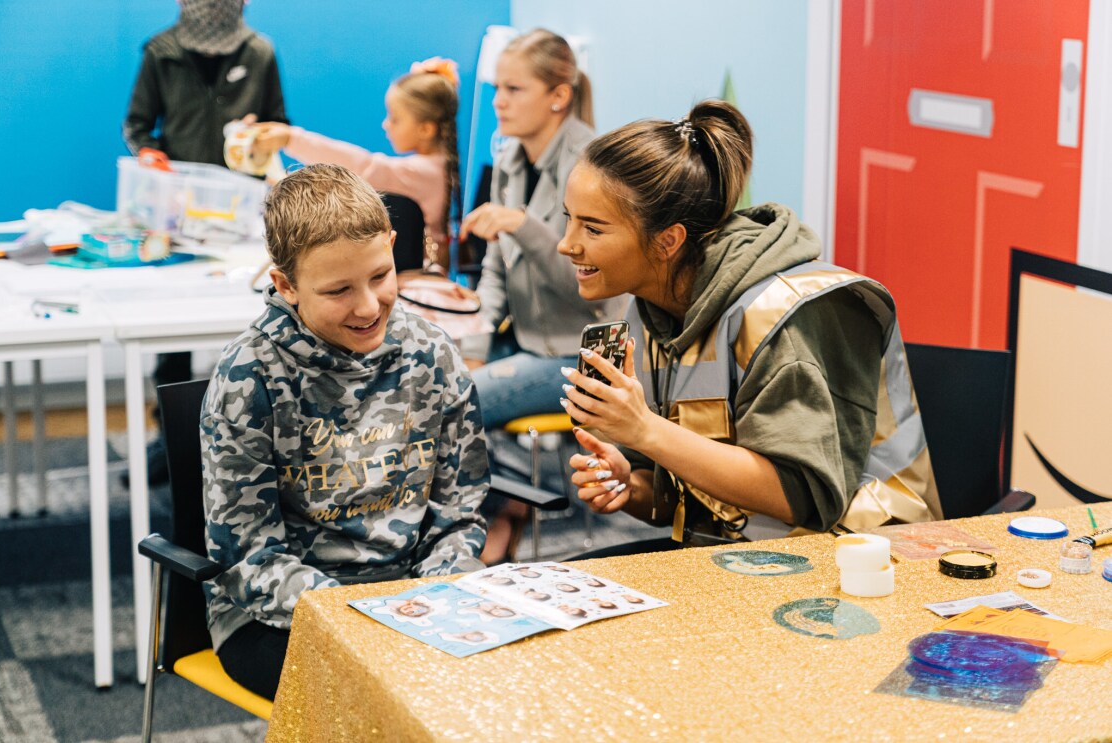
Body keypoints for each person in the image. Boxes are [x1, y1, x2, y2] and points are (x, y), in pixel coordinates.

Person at [557, 100, 941, 553]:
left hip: (864, 560)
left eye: (593, 229)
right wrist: (630, 485)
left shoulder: (780, 314)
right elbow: (686, 499)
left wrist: (647, 431)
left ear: (668, 241)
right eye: (569, 220)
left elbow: (801, 498)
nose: (567, 245)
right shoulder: (648, 312)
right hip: (732, 557)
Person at [200, 163, 488, 700]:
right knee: (388, 692)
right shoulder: (251, 376)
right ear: (285, 284)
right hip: (281, 615)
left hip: (417, 599)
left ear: (394, 247)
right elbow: (249, 557)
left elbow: (459, 512)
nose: (367, 306)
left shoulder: (432, 352)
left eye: (380, 276)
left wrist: (436, 594)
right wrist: (360, 616)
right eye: (338, 290)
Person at [458, 28, 624, 564]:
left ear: (558, 95)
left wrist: (523, 224)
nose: (499, 101)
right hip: (525, 345)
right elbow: (495, 270)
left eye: (514, 89)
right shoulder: (509, 159)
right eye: (497, 89)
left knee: (454, 402)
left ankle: (493, 520)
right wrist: (479, 341)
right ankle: (502, 511)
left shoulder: (596, 165)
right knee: (436, 377)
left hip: (579, 352)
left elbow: (591, 280)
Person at [122, 0, 289, 485]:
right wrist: (149, 154)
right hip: (176, 208)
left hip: (241, 208)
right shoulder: (161, 52)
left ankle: (239, 436)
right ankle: (167, 443)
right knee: (171, 327)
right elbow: (137, 125)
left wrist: (258, 135)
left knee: (238, 324)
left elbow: (278, 121)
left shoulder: (259, 52)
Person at [250, 57, 461, 272]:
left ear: (426, 129)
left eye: (395, 119)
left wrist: (291, 139)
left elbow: (365, 168)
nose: (386, 124)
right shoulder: (440, 167)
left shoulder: (424, 173)